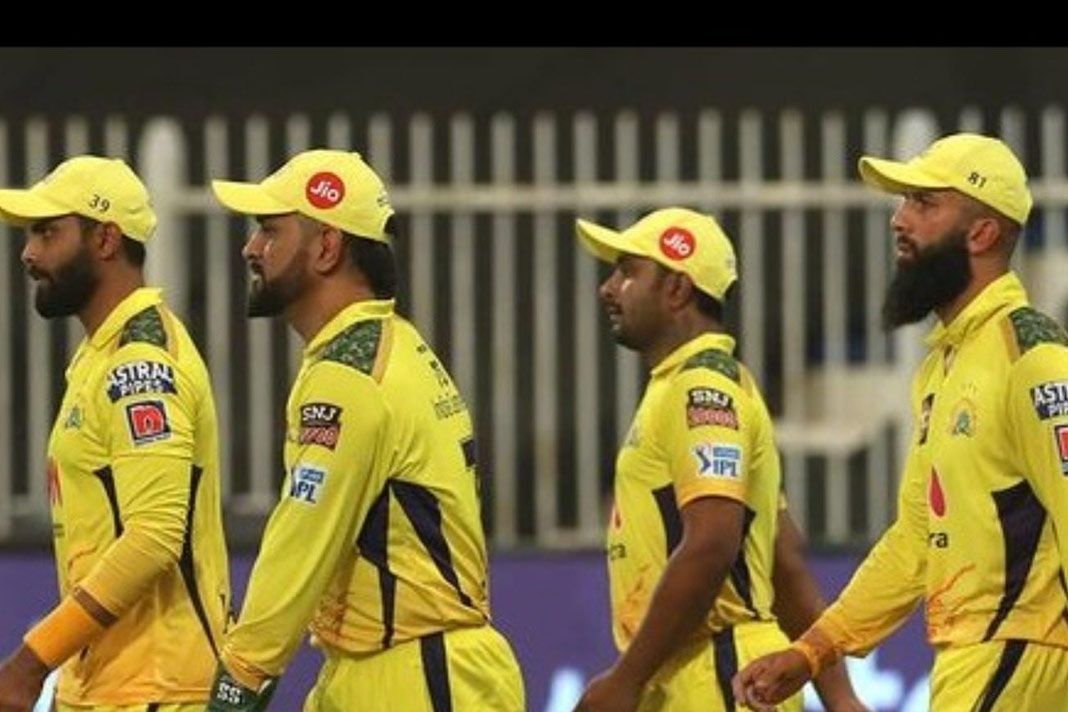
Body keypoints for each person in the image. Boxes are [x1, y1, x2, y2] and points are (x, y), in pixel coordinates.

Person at [733, 133, 1068, 710]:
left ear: (982, 234)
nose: (899, 220)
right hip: (981, 659)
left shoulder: (1029, 356)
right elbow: (914, 540)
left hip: (1023, 653)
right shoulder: (945, 365)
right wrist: (812, 651)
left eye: (924, 203)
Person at [206, 149, 525, 711]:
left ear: (327, 247)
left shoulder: (349, 376)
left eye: (270, 230)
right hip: (397, 666)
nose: (251, 248)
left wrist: (240, 680)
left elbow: (301, 540)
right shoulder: (390, 345)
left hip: (415, 678)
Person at [571, 207, 865, 712]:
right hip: (708, 673)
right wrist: (840, 699)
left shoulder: (701, 388)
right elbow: (782, 556)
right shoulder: (712, 383)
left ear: (677, 289)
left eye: (628, 272)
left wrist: (626, 679)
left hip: (717, 673)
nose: (608, 288)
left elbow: (712, 543)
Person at [0, 156, 231, 711]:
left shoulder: (140, 362)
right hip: (113, 687)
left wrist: (33, 661)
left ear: (105, 240)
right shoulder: (102, 354)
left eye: (48, 233)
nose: (29, 254)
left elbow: (154, 534)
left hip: (157, 690)